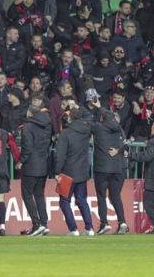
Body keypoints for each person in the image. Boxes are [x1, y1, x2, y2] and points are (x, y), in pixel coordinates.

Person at [89, 99, 129, 235]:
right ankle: (122, 221)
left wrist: (97, 109)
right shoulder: (119, 130)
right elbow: (125, 143)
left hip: (102, 168)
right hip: (117, 167)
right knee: (115, 195)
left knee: (101, 196)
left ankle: (104, 223)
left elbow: (91, 123)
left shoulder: (99, 128)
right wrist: (118, 150)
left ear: (102, 118)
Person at [54, 108, 95, 236]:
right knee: (82, 200)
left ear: (70, 118)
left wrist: (57, 172)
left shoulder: (65, 133)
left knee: (64, 201)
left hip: (67, 173)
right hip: (82, 171)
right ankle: (90, 228)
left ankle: (73, 229)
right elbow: (90, 116)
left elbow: (60, 155)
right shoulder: (86, 130)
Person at [18, 103, 52, 237]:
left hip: (31, 166)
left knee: (27, 195)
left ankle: (36, 223)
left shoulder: (28, 126)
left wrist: (21, 162)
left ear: (29, 113)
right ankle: (44, 223)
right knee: (39, 194)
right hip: (43, 165)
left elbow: (27, 148)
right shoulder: (47, 125)